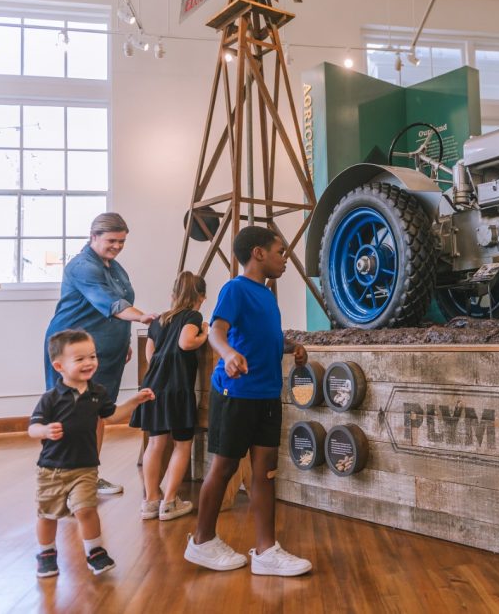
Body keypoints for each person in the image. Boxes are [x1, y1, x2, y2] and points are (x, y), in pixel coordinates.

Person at [184, 226, 311, 576]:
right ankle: (202, 541)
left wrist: (290, 347)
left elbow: (263, 335)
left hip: (268, 394)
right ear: (258, 253)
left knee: (266, 473)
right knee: (224, 468)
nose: (284, 259)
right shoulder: (235, 289)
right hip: (236, 395)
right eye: (280, 251)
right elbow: (216, 331)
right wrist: (227, 355)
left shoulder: (267, 295)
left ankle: (266, 551)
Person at [43, 213, 157, 496]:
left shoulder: (116, 268)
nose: (117, 246)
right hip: (74, 351)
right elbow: (112, 304)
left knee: (96, 415)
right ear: (93, 237)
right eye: (111, 240)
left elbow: (119, 306)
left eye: (122, 241)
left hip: (106, 350)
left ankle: (88, 476)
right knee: (73, 416)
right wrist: (144, 318)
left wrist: (123, 341)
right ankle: (65, 483)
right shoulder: (82, 267)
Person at [30, 329, 155, 578]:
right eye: (80, 359)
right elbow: (32, 428)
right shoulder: (51, 399)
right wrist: (44, 429)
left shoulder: (97, 393)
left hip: (85, 467)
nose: (89, 363)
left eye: (92, 356)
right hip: (52, 469)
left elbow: (113, 415)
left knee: (87, 509)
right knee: (48, 513)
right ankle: (46, 553)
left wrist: (135, 401)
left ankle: (95, 551)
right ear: (59, 366)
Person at [131, 271, 209, 521]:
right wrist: (204, 333)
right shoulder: (193, 316)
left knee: (155, 444)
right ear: (201, 297)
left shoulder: (158, 320)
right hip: (178, 389)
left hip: (154, 387)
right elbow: (186, 343)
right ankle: (169, 502)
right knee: (182, 444)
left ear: (173, 295)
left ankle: (150, 500)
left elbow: (150, 356)